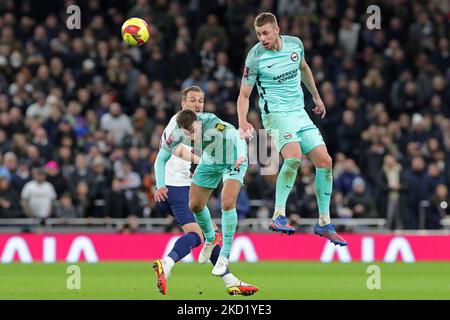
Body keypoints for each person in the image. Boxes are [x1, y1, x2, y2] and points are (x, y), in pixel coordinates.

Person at [237, 12, 347, 245]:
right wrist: (243, 121)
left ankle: (324, 222)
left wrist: (316, 97)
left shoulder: (295, 44)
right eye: (258, 34)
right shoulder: (255, 57)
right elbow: (244, 95)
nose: (262, 38)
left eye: (266, 32)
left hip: (299, 112)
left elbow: (304, 69)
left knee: (325, 162)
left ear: (277, 29)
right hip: (275, 114)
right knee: (294, 157)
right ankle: (278, 215)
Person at [152, 86, 258, 296]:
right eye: (192, 100)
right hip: (177, 186)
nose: (197, 104)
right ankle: (167, 263)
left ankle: (230, 280)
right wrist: (201, 162)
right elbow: (176, 151)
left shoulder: (204, 122)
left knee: (210, 231)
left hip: (175, 185)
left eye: (200, 101)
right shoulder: (180, 122)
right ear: (183, 104)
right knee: (196, 233)